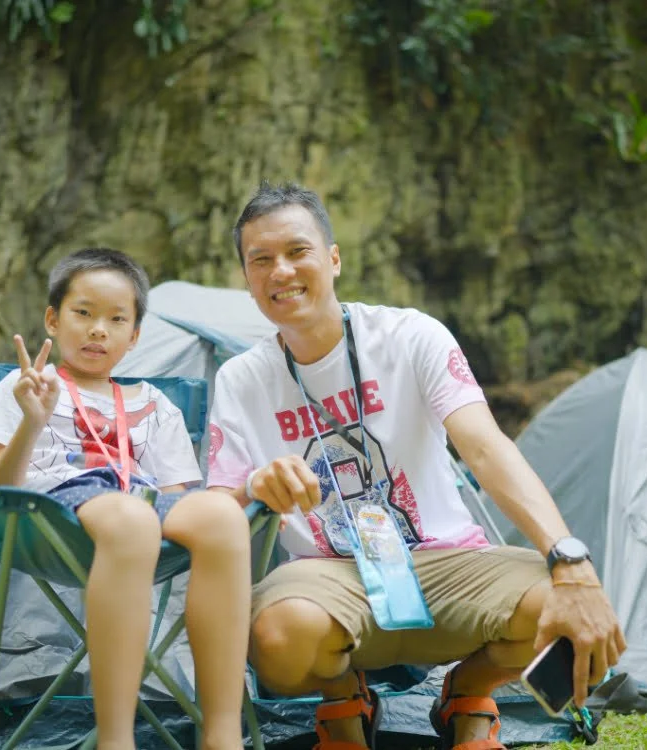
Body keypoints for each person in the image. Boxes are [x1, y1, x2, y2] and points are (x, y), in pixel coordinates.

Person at [207, 181, 625, 750]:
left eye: (297, 251)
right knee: (277, 637)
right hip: (330, 577)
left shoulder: (411, 336)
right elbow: (217, 508)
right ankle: (343, 698)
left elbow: (485, 447)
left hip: (446, 560)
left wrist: (570, 561)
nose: (280, 271)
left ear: (333, 258)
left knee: (579, 614)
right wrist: (256, 486)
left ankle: (469, 692)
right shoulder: (241, 379)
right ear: (248, 280)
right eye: (261, 260)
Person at [0, 248, 251, 750]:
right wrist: (33, 421)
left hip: (136, 506)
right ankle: (116, 742)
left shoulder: (156, 404)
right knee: (131, 517)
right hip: (48, 514)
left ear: (134, 335)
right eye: (83, 313)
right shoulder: (24, 386)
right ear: (53, 320)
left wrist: (215, 505)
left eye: (116, 319)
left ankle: (222, 736)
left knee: (220, 515)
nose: (99, 329)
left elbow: (177, 498)